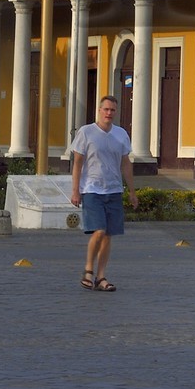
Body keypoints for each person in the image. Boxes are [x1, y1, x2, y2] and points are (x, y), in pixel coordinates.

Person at [70, 95, 134, 292]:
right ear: (99, 110)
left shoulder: (121, 134)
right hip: (91, 189)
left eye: (112, 110)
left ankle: (101, 277)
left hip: (114, 189)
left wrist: (132, 191)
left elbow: (125, 164)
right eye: (106, 109)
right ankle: (88, 270)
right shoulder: (86, 132)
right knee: (98, 230)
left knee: (108, 235)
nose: (109, 113)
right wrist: (75, 191)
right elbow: (78, 162)